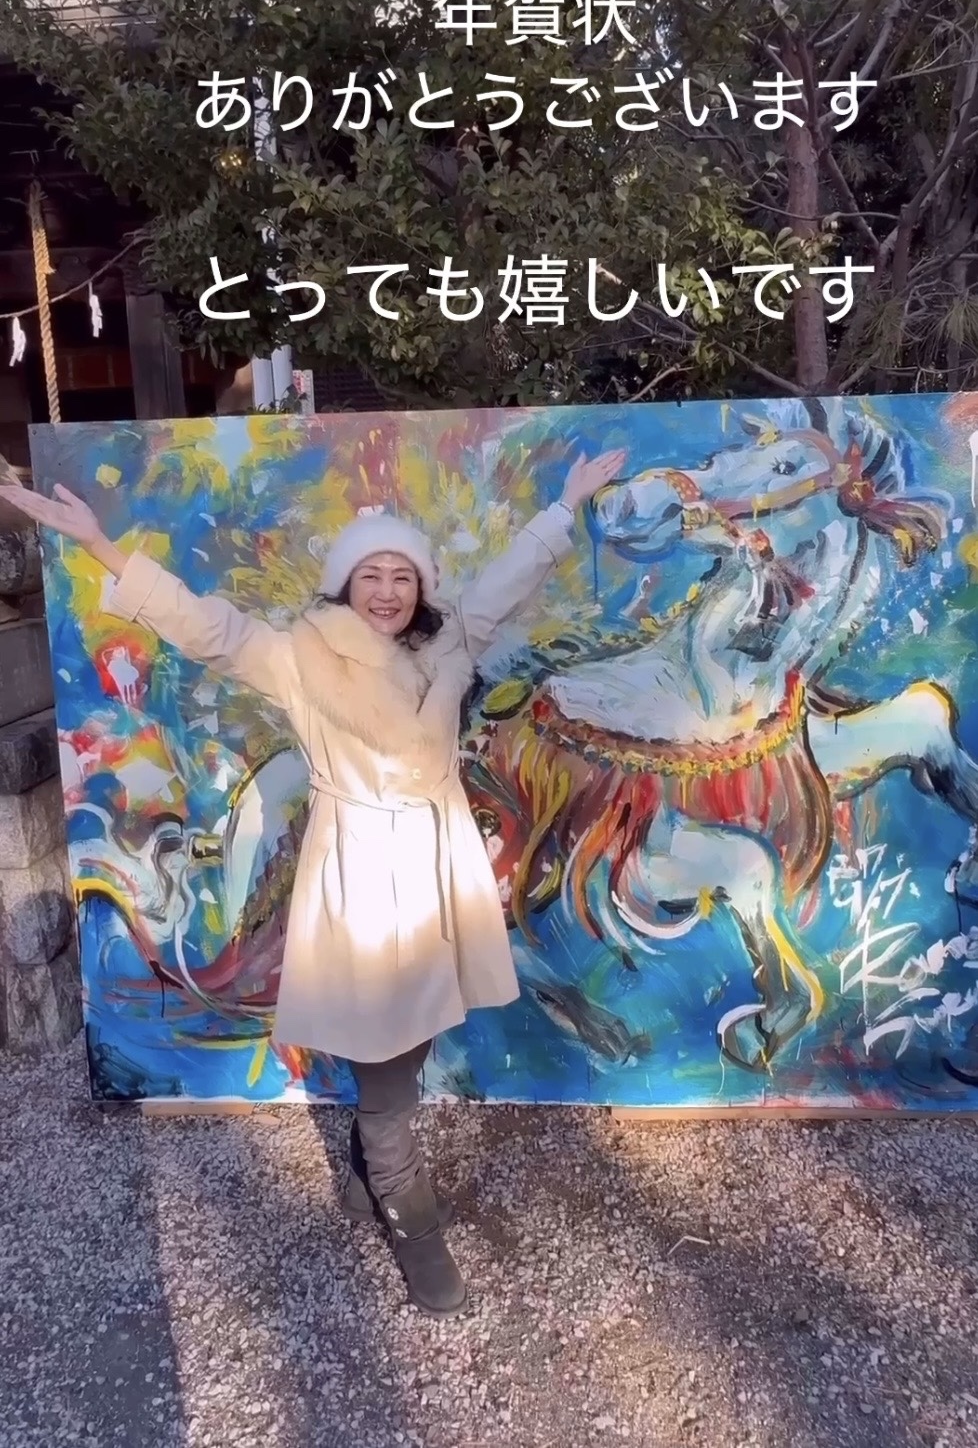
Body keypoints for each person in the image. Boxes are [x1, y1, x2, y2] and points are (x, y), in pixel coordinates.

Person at [0, 446, 624, 1318]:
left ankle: (369, 1175)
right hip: (362, 868)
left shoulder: (446, 641)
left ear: (419, 587)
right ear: (344, 584)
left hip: (436, 863)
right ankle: (413, 1220)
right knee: (384, 1064)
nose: (387, 591)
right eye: (370, 575)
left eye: (401, 576)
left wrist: (567, 504)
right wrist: (102, 546)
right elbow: (208, 627)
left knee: (414, 1038)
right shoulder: (300, 655)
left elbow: (504, 583)